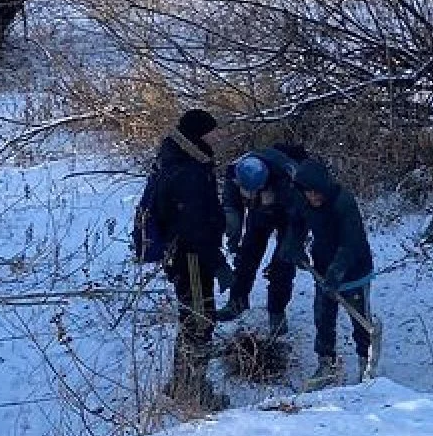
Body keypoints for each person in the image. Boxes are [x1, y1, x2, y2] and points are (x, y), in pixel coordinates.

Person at [152, 108, 232, 411]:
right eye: (213, 131)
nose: (218, 135)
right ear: (199, 135)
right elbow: (195, 229)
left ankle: (180, 382)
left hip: (187, 256)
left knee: (191, 318)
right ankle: (192, 390)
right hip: (192, 260)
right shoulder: (188, 172)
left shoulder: (183, 159)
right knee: (199, 320)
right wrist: (220, 264)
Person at [289, 158, 375, 388]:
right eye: (309, 193)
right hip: (323, 267)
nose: (314, 198)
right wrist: (294, 247)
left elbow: (351, 242)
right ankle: (326, 363)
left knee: (360, 320)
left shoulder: (343, 202)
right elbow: (295, 226)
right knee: (323, 318)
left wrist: (337, 272)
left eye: (317, 193)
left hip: (354, 270)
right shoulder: (302, 201)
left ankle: (365, 362)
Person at [217, 144, 308, 335]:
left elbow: (298, 218)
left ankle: (277, 312)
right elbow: (232, 208)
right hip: (259, 213)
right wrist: (233, 241)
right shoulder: (235, 172)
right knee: (246, 256)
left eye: (257, 190)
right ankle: (237, 302)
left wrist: (294, 246)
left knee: (283, 264)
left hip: (288, 214)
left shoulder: (288, 176)